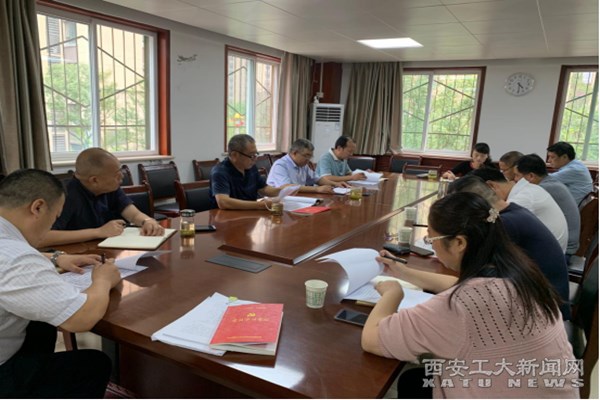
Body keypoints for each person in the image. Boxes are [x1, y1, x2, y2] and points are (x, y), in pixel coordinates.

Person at [362, 192, 578, 398]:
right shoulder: (519, 271)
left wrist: (392, 293)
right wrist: (404, 272)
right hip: (536, 387)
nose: (432, 246)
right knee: (415, 380)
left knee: (414, 381)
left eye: (431, 239)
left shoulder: (459, 307)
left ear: (459, 243)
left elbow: (371, 339)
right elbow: (461, 286)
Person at [0, 169, 121, 398]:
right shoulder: (16, 257)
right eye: (54, 218)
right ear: (37, 208)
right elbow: (80, 319)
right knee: (93, 364)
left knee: (40, 326)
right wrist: (103, 280)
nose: (51, 227)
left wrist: (56, 257)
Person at [448, 175, 571, 319]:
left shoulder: (507, 223)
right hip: (543, 299)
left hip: (546, 312)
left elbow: (476, 270)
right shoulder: (512, 212)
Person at [39, 148, 164, 248]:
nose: (121, 177)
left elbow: (133, 214)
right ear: (94, 180)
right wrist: (97, 232)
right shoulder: (62, 196)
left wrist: (147, 221)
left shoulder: (110, 188)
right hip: (74, 254)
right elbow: (42, 237)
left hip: (104, 249)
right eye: (116, 174)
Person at [472, 167, 569, 252]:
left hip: (546, 261)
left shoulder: (522, 198)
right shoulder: (526, 189)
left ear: (491, 186)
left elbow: (492, 227)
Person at [515, 153, 581, 258]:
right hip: (566, 245)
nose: (515, 180)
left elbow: (515, 212)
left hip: (563, 251)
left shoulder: (544, 188)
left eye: (517, 176)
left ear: (531, 176)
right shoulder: (551, 182)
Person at [210, 134, 281, 209]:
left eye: (256, 154)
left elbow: (263, 189)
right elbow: (224, 202)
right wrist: (261, 205)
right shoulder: (220, 172)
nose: (255, 159)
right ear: (234, 155)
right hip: (225, 215)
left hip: (249, 212)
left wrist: (283, 190)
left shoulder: (250, 167)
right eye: (251, 155)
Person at [267, 138, 349, 193]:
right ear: (294, 153)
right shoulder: (280, 165)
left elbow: (317, 179)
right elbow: (287, 187)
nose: (308, 159)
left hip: (296, 198)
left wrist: (335, 184)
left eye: (310, 156)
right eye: (306, 155)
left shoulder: (303, 165)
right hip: (276, 203)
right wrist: (316, 189)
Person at [547, 141, 593, 205]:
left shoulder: (574, 169)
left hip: (570, 208)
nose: (549, 160)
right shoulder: (576, 164)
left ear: (564, 157)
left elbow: (545, 179)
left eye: (552, 157)